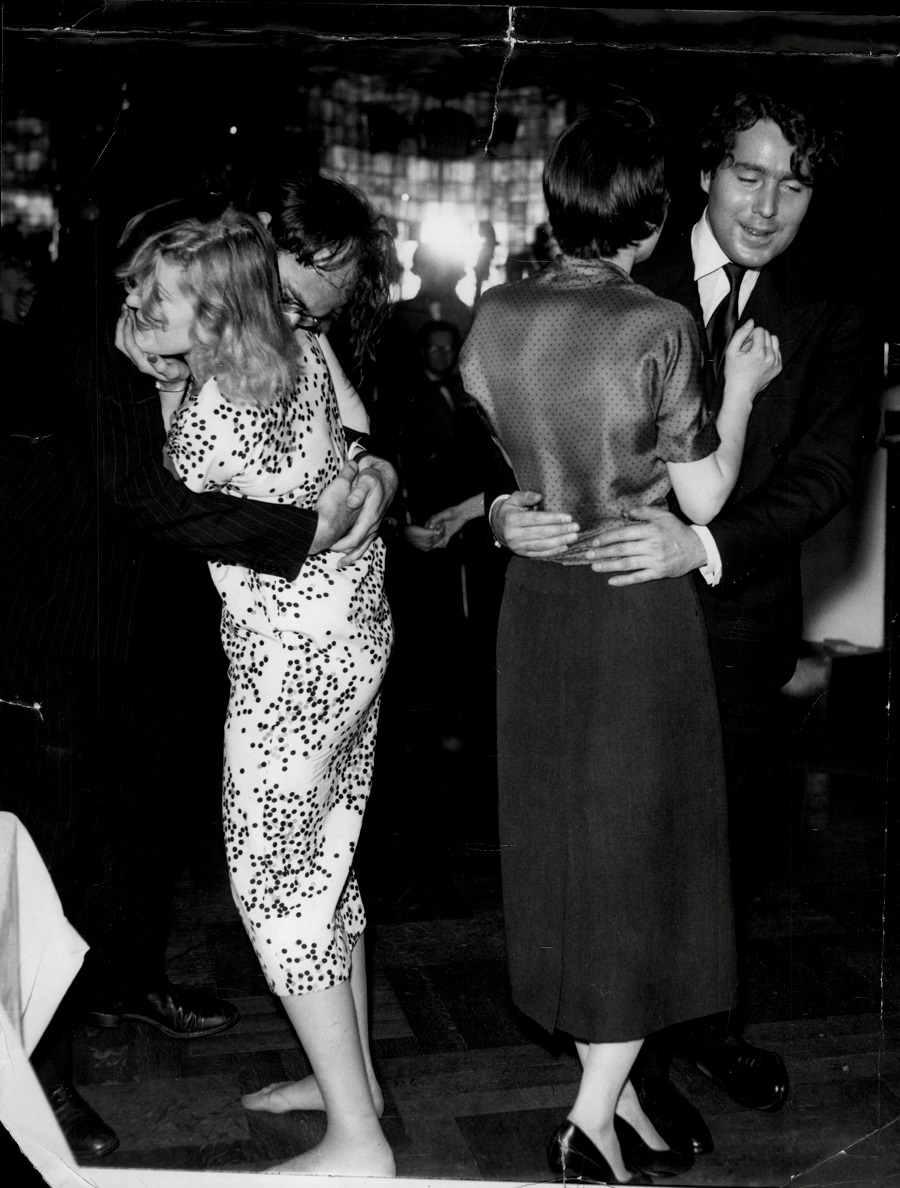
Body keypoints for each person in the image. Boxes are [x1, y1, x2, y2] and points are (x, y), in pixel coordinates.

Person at [487, 89, 878, 1157]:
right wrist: (499, 511)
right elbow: (518, 439)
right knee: (612, 848)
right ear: (701, 176)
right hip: (606, 616)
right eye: (749, 173)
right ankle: (629, 1080)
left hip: (736, 609)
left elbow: (830, 472)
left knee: (718, 847)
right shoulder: (624, 265)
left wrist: (699, 548)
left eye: (794, 183)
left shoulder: (837, 300)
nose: (767, 203)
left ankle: (700, 1032)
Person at [459, 100, 782, 1184]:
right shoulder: (657, 326)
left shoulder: (494, 315)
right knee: (636, 861)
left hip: (537, 605)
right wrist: (736, 387)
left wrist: (512, 505)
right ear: (649, 220)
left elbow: (509, 457)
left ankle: (622, 1102)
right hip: (633, 610)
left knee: (567, 852)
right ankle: (591, 1117)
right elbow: (708, 490)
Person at [118, 204, 394, 1176]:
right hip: (354, 636)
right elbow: (360, 452)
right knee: (328, 863)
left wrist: (158, 381)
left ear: (221, 315)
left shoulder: (221, 406)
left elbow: (160, 496)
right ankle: (350, 1082)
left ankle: (357, 1144)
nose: (138, 309)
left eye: (160, 303)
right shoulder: (298, 351)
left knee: (280, 890)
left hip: (293, 669)